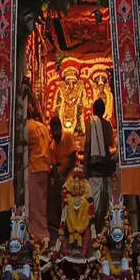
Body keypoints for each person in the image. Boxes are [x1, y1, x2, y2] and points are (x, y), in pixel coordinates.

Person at [84, 98, 115, 227]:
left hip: (94, 165)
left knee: (95, 196)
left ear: (93, 109)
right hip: (106, 164)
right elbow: (110, 143)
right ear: (104, 110)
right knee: (107, 196)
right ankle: (108, 226)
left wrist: (85, 164)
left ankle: (94, 227)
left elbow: (88, 143)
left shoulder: (90, 122)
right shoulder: (107, 125)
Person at [27, 106, 51, 243]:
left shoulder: (27, 127)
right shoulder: (42, 126)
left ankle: (38, 235)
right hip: (45, 167)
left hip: (34, 167)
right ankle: (43, 232)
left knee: (34, 204)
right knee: (41, 203)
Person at [49, 116, 77, 230]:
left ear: (60, 128)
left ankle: (71, 222)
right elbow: (54, 166)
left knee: (66, 190)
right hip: (61, 173)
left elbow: (73, 158)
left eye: (56, 130)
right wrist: (57, 179)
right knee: (55, 192)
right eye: (53, 131)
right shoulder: (52, 145)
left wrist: (64, 175)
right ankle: (60, 222)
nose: (54, 133)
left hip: (71, 169)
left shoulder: (68, 136)